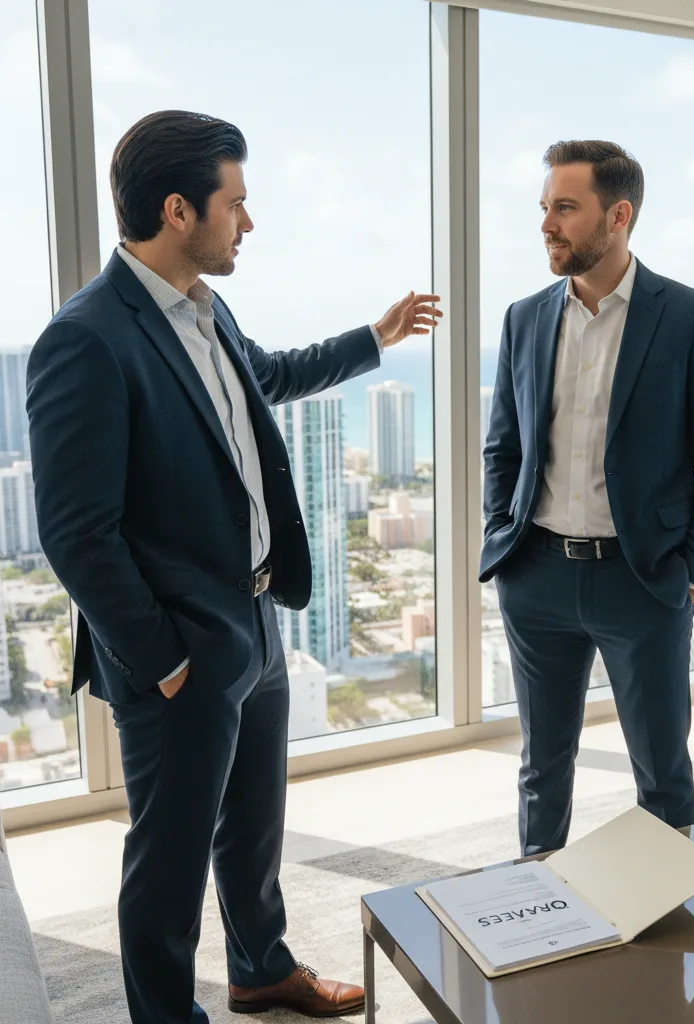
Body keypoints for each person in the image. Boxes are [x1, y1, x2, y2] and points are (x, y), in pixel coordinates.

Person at [26, 110, 442, 1023]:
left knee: (252, 837)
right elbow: (74, 532)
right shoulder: (86, 338)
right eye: (236, 205)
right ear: (180, 211)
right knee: (168, 867)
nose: (248, 224)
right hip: (179, 652)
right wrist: (164, 659)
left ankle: (259, 969)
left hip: (255, 623)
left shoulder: (208, 312)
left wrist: (375, 338)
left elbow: (272, 377)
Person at [480, 140, 694, 857]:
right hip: (535, 574)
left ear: (618, 215)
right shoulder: (524, 318)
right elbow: (503, 447)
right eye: (544, 208)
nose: (547, 223)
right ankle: (539, 921)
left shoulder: (691, 317)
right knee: (542, 767)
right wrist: (500, 543)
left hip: (644, 578)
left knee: (662, 774)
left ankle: (671, 937)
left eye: (565, 207)